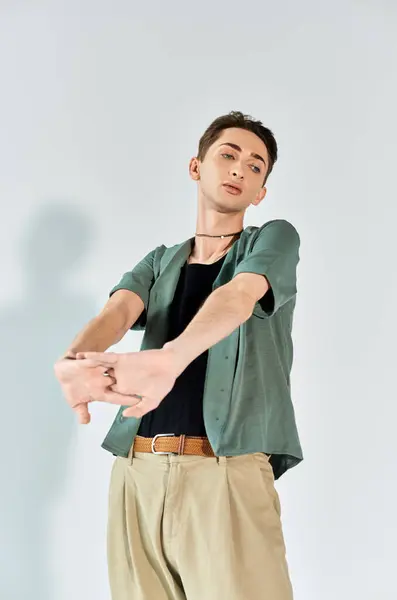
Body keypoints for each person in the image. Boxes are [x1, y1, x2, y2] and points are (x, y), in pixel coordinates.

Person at [54, 110, 303, 600]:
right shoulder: (160, 260)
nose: (239, 170)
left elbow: (238, 297)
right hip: (137, 473)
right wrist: (75, 360)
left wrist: (170, 359)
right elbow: (117, 313)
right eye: (228, 156)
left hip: (225, 474)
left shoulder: (272, 240)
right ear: (196, 167)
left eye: (255, 167)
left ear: (261, 192)